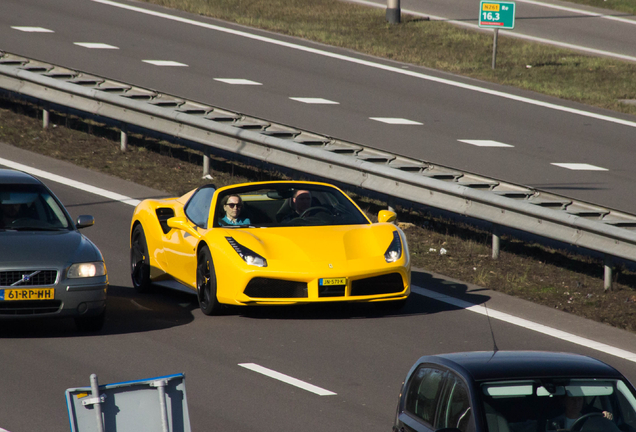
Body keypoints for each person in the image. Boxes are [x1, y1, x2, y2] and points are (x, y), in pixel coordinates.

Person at [547, 396, 613, 431]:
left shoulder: (591, 421)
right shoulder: (554, 423)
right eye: (572, 399)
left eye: (579, 399)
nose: (576, 403)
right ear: (565, 401)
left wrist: (606, 419)